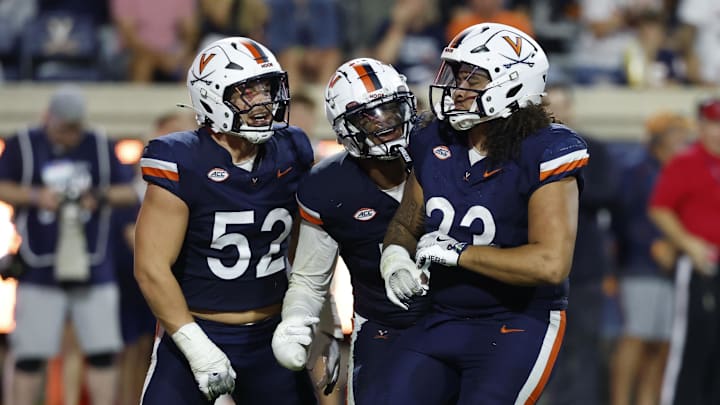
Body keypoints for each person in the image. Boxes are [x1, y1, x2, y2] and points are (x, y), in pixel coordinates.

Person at [376, 23, 589, 404]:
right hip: (442, 315)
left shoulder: (547, 149)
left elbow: (550, 263)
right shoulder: (434, 138)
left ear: (512, 84)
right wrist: (394, 257)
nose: (457, 89)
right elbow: (409, 221)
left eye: (472, 79)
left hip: (518, 322)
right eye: (456, 76)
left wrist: (460, 254)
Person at [134, 36, 317, 404]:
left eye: (266, 88)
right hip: (196, 331)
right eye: (246, 92)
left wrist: (316, 323)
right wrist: (197, 348)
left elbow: (308, 250)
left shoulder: (292, 148)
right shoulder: (183, 159)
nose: (263, 101)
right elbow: (151, 267)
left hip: (271, 336)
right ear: (212, 98)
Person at [271, 57, 430, 404]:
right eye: (367, 116)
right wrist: (301, 324)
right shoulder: (328, 187)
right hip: (384, 326)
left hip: (462, 321)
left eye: (390, 108)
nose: (385, 122)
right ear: (345, 128)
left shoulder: (445, 156)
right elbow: (311, 279)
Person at [0, 85, 138, 405]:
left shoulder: (100, 146)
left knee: (103, 352)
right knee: (30, 354)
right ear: (49, 118)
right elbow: (3, 185)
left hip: (94, 266)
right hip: (39, 265)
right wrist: (36, 196)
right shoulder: (25, 144)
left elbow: (129, 192)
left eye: (75, 129)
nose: (69, 136)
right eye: (64, 128)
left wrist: (97, 197)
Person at [610, 111, 692, 405]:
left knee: (663, 343)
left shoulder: (682, 171)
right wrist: (653, 244)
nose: (683, 140)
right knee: (635, 337)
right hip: (641, 266)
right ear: (659, 138)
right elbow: (625, 219)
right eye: (676, 133)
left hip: (676, 268)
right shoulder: (637, 171)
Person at [649, 98, 720, 405]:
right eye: (713, 123)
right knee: (691, 346)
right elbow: (660, 208)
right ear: (702, 126)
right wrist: (688, 243)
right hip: (700, 266)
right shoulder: (686, 161)